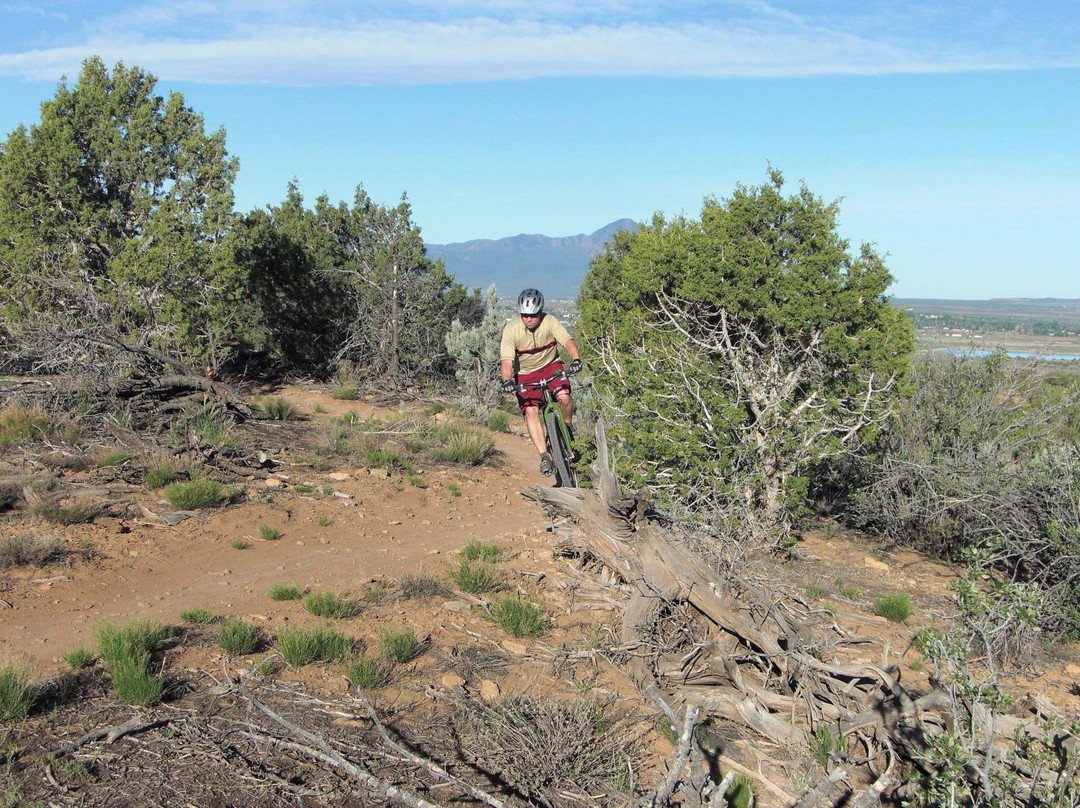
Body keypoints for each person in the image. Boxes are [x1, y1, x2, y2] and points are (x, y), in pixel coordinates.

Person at [500, 288, 582, 476]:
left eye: (533, 315)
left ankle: (567, 427)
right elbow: (506, 361)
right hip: (526, 373)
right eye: (525, 315)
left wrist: (576, 359)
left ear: (540, 312)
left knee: (565, 397)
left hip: (551, 365)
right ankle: (545, 456)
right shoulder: (512, 330)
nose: (529, 319)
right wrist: (507, 380)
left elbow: (567, 341)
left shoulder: (550, 321)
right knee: (530, 411)